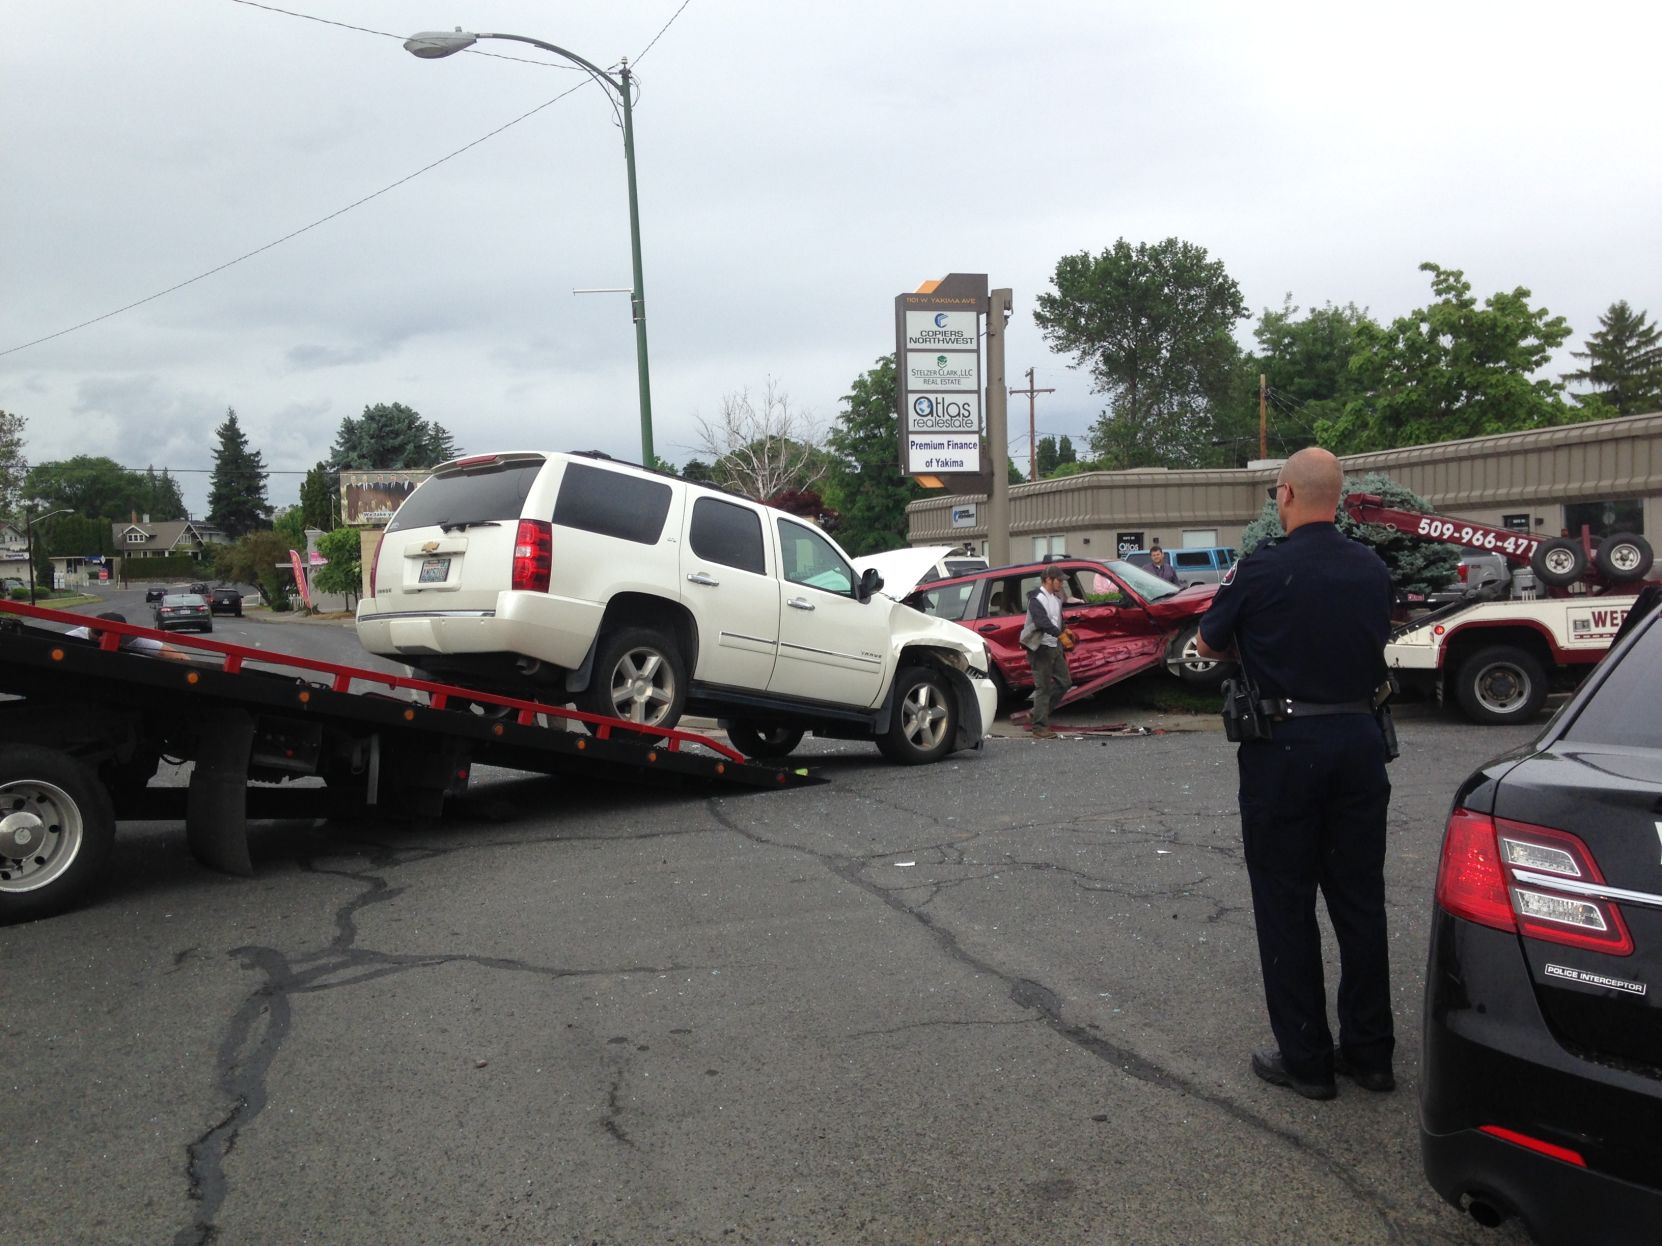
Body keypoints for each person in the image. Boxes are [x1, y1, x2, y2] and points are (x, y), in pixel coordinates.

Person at [1195, 447, 1395, 1101]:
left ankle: (1306, 1060)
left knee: (1285, 903)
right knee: (1360, 901)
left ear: (1284, 494)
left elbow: (1208, 642)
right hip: (1362, 742)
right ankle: (1370, 1055)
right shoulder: (1370, 568)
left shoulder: (1260, 569)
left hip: (1285, 749)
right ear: (1335, 497)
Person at [1021, 566, 1073, 738]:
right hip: (1039, 648)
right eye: (1059, 580)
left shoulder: (1056, 598)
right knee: (1042, 687)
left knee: (1065, 682)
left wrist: (1066, 630)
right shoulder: (1036, 599)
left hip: (1053, 646)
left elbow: (1056, 619)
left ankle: (1037, 712)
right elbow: (1042, 621)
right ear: (1048, 579)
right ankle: (1039, 728)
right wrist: (1060, 634)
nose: (1061, 583)